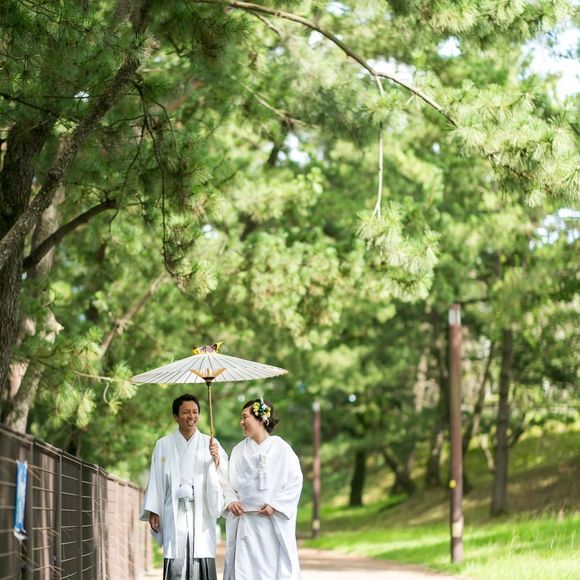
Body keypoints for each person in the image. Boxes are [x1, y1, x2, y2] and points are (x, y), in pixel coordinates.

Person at [140, 393, 227, 580]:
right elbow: (155, 479)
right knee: (175, 554)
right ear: (176, 416)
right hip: (174, 509)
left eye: (195, 412)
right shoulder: (163, 445)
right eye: (186, 412)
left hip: (201, 510)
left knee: (201, 553)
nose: (191, 416)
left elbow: (225, 476)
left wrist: (217, 459)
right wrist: (154, 510)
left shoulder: (211, 443)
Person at [222, 398, 303, 580]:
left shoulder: (282, 449)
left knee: (272, 570)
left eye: (245, 417)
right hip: (245, 521)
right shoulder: (238, 450)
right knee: (245, 570)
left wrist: (275, 505)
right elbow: (227, 483)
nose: (241, 422)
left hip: (271, 521)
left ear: (261, 419)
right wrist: (231, 501)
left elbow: (295, 482)